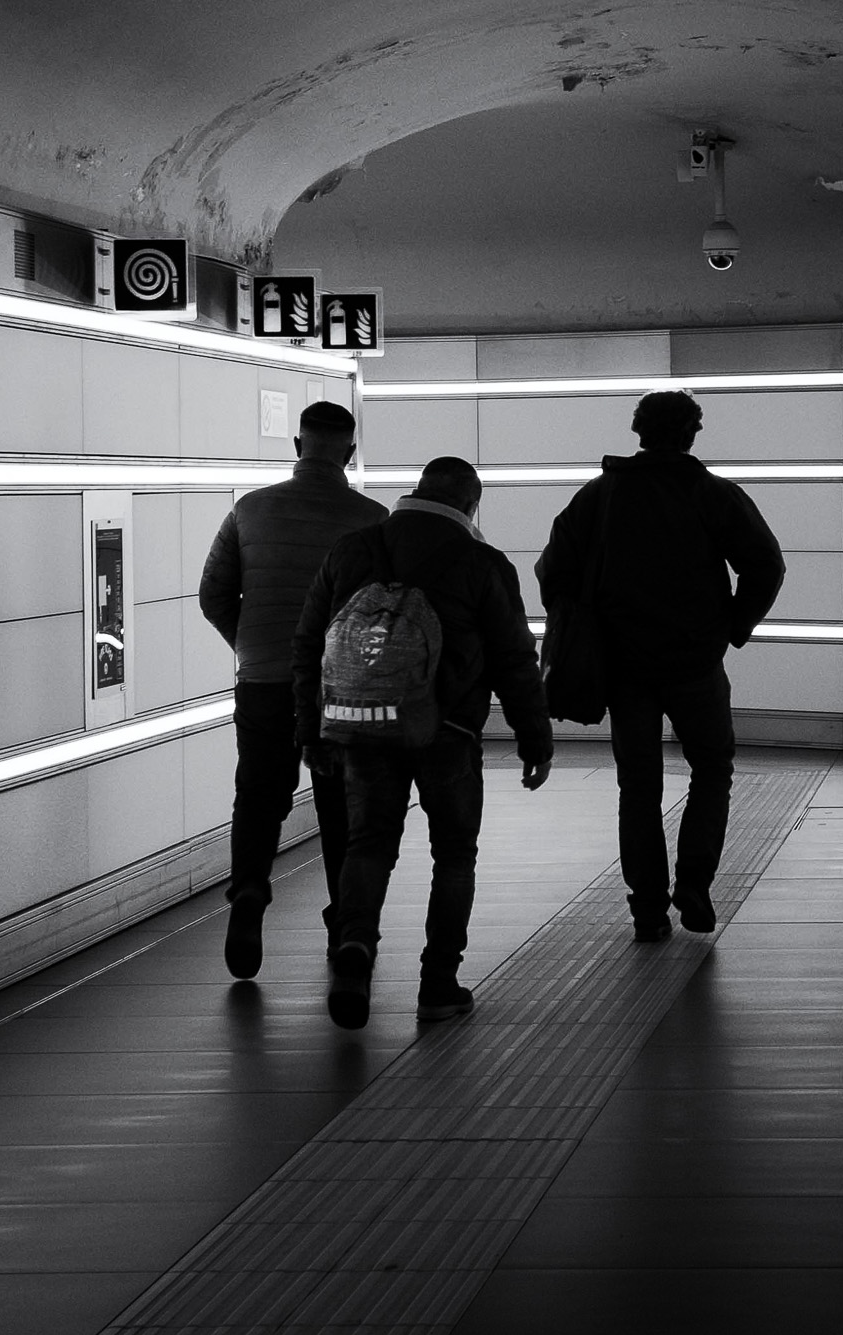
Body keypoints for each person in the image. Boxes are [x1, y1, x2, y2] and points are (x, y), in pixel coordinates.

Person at [294, 455, 553, 1029]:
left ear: (416, 491)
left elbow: (310, 643)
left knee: (368, 844)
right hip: (448, 733)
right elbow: (513, 658)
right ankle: (438, 984)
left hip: (364, 725)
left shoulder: (352, 549)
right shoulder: (482, 562)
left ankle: (355, 947)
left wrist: (311, 732)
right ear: (471, 505)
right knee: (454, 855)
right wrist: (534, 738)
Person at [537, 391, 785, 941]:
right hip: (696, 662)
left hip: (624, 667)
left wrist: (586, 623)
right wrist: (730, 626)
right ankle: (694, 883)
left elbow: (554, 570)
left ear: (638, 431)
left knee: (638, 786)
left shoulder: (599, 495)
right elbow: (766, 565)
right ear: (693, 433)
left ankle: (647, 908)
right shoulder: (714, 494)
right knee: (712, 769)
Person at [198, 399, 386, 979]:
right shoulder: (373, 520)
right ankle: (344, 927)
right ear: (349, 454)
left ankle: (249, 895)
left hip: (264, 682)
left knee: (259, 795)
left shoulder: (249, 510)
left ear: (298, 447)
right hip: (341, 690)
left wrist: (251, 646)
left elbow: (213, 594)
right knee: (342, 807)